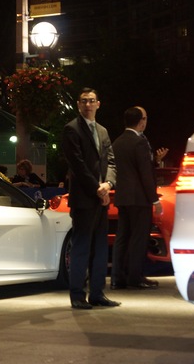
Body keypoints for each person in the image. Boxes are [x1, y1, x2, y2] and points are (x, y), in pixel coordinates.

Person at [62, 87, 119, 310]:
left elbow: (112, 161)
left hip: (101, 197)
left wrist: (108, 184)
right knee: (81, 248)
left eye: (92, 101)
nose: (88, 104)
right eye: (84, 101)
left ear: (98, 104)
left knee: (100, 248)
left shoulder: (103, 131)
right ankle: (77, 295)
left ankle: (97, 294)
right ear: (78, 104)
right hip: (84, 198)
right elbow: (77, 165)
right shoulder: (71, 129)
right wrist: (97, 188)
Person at [111, 107, 166, 290]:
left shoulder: (117, 142)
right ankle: (135, 277)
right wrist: (154, 200)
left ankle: (117, 278)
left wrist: (155, 161)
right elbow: (144, 174)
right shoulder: (140, 142)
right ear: (141, 121)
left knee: (122, 237)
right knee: (138, 239)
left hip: (123, 197)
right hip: (139, 198)